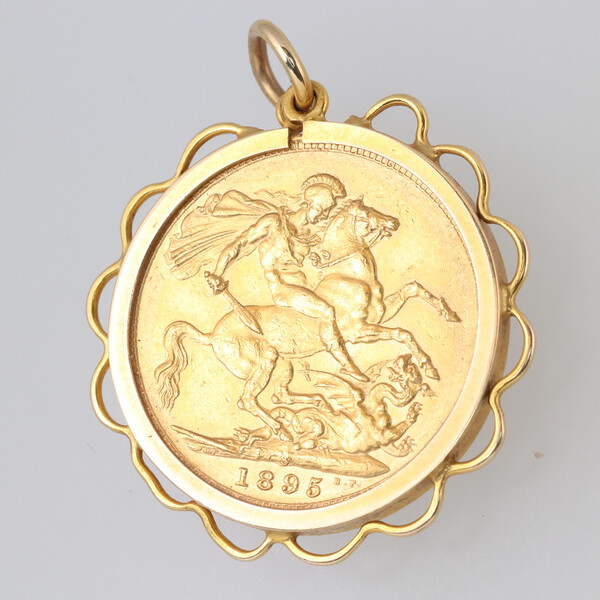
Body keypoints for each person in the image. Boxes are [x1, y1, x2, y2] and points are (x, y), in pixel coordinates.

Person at [205, 173, 368, 382]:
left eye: (327, 210)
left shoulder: (309, 235)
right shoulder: (273, 223)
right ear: (309, 203)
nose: (325, 215)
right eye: (323, 209)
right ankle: (347, 365)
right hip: (283, 288)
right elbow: (239, 244)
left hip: (305, 288)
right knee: (327, 311)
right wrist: (218, 272)